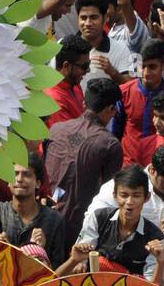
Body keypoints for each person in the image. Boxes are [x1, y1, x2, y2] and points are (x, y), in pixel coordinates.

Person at [45, 77, 125, 236]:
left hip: (44, 219)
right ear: (110, 109)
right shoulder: (110, 144)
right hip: (80, 227)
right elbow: (110, 194)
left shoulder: (56, 130)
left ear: (84, 103)